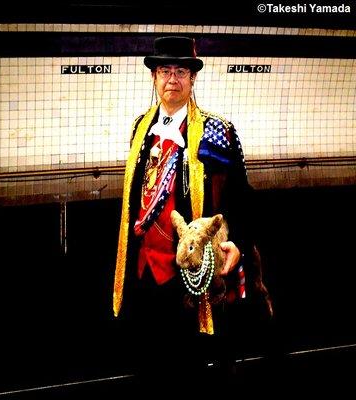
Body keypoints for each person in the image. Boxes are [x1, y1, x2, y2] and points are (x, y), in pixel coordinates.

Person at [112, 36, 271, 392]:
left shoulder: (218, 130)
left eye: (181, 70)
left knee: (191, 369)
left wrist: (240, 245)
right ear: (153, 77)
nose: (172, 79)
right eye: (165, 70)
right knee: (148, 365)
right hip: (143, 273)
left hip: (189, 277)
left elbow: (243, 199)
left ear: (193, 78)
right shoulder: (140, 127)